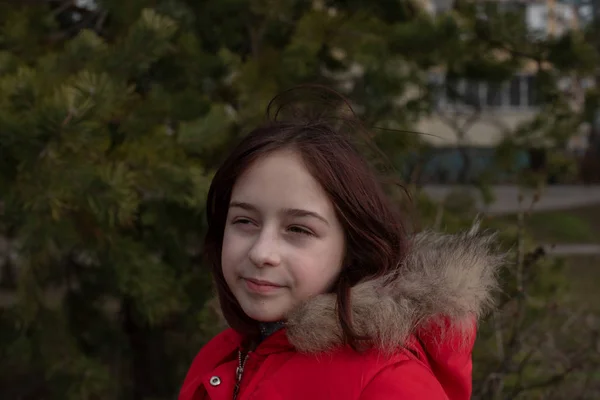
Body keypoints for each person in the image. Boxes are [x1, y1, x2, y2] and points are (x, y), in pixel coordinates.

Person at [178, 87, 503, 400]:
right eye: (245, 221)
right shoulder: (222, 354)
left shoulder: (388, 380)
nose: (262, 252)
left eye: (298, 229)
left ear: (352, 247)